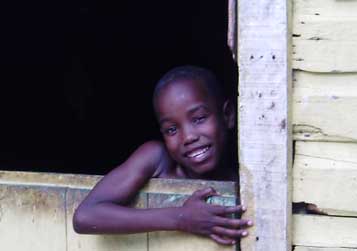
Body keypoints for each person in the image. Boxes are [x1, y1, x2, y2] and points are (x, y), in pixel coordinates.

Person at [73, 65, 252, 245]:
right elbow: (86, 216)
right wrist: (181, 218)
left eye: (199, 118)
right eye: (171, 129)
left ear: (228, 115)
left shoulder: (247, 178)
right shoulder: (158, 159)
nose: (188, 137)